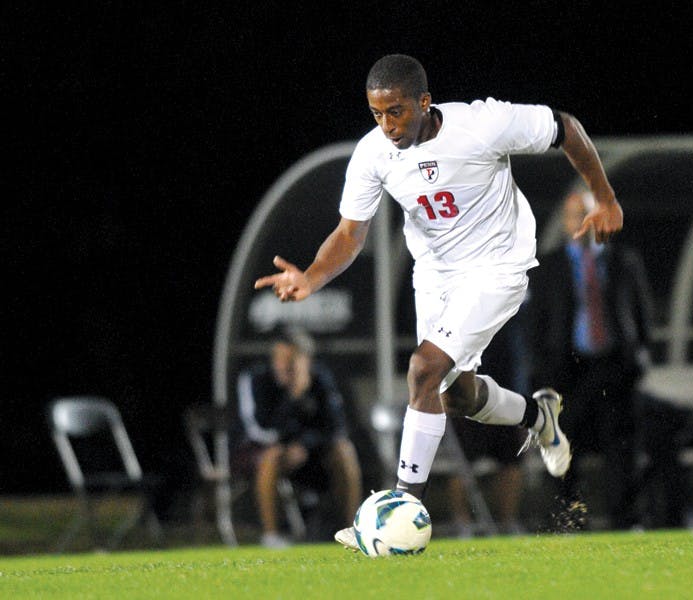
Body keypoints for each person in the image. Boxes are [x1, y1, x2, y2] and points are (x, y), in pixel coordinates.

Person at [253, 54, 623, 550]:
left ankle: (399, 508)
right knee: (456, 397)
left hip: (497, 267)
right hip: (435, 276)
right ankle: (540, 418)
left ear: (425, 103)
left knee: (423, 369)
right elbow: (349, 232)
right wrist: (313, 277)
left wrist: (605, 198)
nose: (387, 125)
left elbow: (565, 128)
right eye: (377, 114)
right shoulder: (373, 153)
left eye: (397, 112)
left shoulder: (481, 124)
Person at [528, 189, 652, 531]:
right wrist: (542, 372)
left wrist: (638, 357)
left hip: (614, 366)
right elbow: (537, 324)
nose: (579, 223)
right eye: (573, 215)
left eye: (586, 214)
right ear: (566, 223)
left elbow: (641, 315)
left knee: (622, 449)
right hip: (568, 372)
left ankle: (626, 521)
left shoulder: (623, 260)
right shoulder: (547, 268)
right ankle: (570, 520)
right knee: (565, 449)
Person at [230, 328, 362, 548]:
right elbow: (257, 428)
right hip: (259, 453)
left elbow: (335, 427)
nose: (283, 366)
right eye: (279, 359)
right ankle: (271, 534)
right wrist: (292, 398)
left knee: (344, 450)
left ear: (306, 361)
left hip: (308, 454)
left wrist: (305, 445)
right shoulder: (256, 379)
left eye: (290, 360)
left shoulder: (320, 379)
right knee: (272, 455)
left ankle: (351, 530)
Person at [447, 314, 529, 537]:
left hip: (504, 388)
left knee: (511, 458)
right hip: (466, 393)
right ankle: (462, 523)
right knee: (463, 461)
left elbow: (517, 351)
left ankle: (508, 521)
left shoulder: (508, 298)